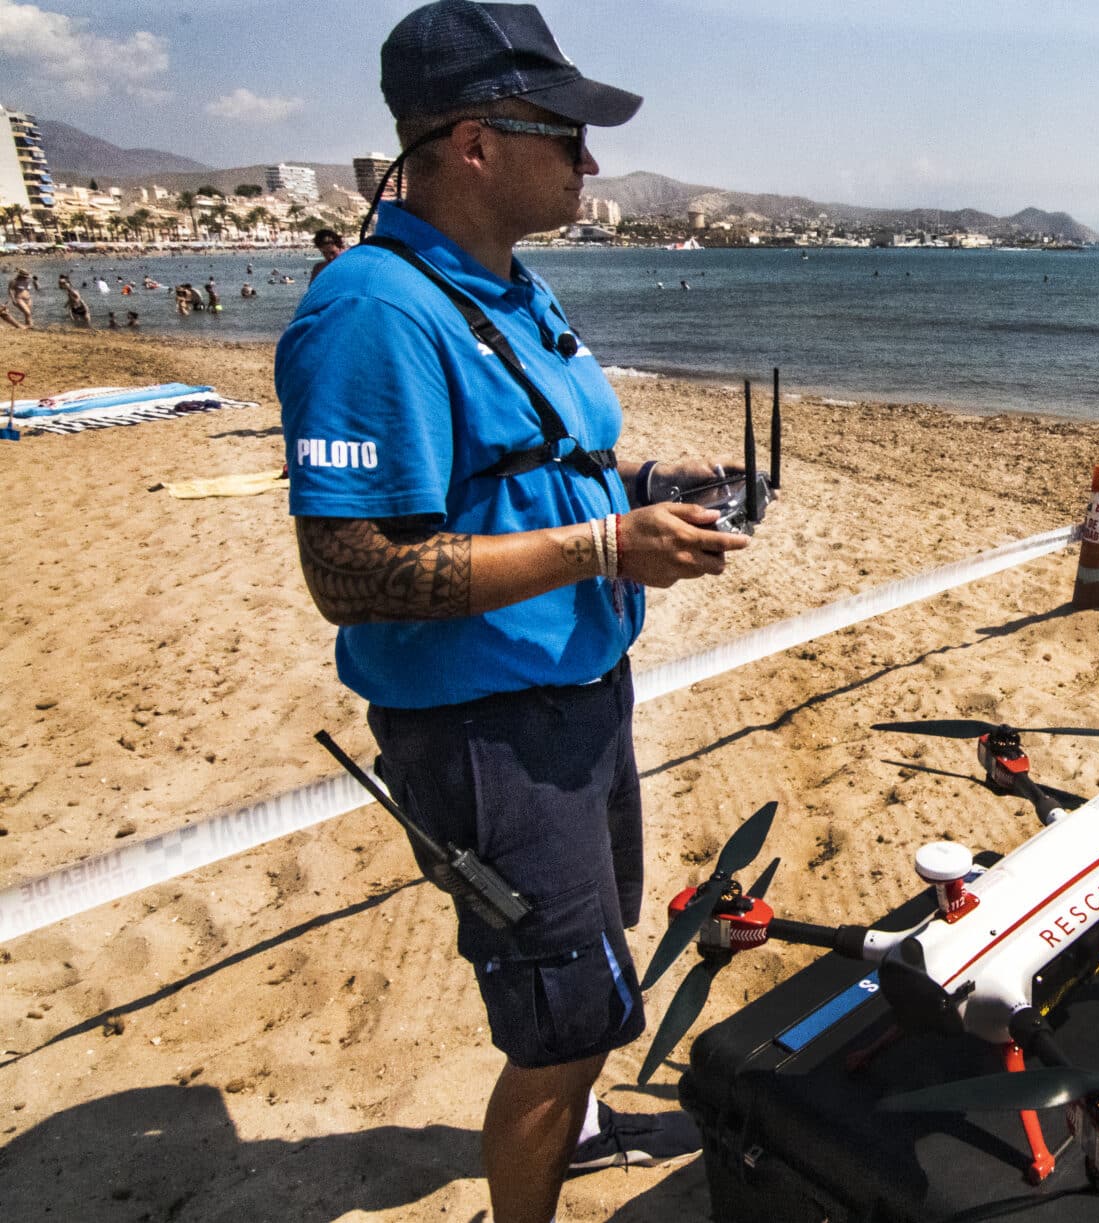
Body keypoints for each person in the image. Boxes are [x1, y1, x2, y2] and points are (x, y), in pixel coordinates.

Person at [276, 5, 740, 1221]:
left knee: (591, 963)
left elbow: (520, 463)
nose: (590, 162)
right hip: (488, 728)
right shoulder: (373, 310)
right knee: (561, 1011)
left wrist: (643, 488)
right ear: (476, 142)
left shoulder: (502, 287)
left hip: (578, 696)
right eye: (568, 133)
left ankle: (575, 1130)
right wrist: (602, 543)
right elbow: (356, 568)